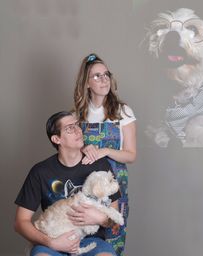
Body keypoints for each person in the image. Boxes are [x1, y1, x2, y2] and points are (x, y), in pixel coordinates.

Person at [14, 111, 120, 256]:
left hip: (92, 242)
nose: (78, 130)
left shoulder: (100, 165)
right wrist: (51, 242)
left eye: (77, 125)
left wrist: (100, 218)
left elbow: (116, 222)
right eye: (70, 128)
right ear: (57, 139)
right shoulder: (40, 172)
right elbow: (21, 222)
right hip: (53, 241)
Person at [73, 53, 136, 256]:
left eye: (106, 74)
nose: (104, 79)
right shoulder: (77, 115)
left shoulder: (122, 111)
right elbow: (68, 151)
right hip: (84, 184)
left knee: (113, 234)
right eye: (97, 76)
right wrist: (83, 148)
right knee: (81, 236)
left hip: (115, 183)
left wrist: (105, 151)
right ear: (87, 83)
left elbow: (131, 155)